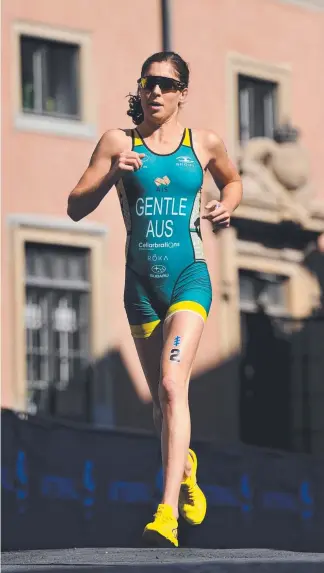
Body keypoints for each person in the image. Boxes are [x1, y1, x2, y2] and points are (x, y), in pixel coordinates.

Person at [67, 51, 243, 548]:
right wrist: (109, 174)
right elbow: (75, 207)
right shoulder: (117, 142)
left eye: (168, 84)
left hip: (189, 278)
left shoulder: (202, 143)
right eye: (149, 83)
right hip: (140, 289)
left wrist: (225, 206)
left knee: (171, 386)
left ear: (183, 91)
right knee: (160, 407)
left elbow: (233, 180)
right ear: (140, 89)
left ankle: (166, 513)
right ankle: (184, 468)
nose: (157, 92)